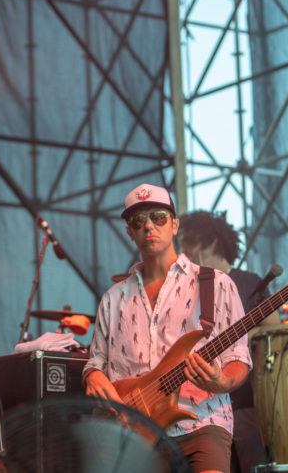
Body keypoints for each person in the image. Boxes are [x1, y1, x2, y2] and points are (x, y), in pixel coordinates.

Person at [83, 183, 252, 473]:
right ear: (130, 231)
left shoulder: (216, 284)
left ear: (174, 225)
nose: (149, 226)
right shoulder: (112, 298)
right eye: (138, 221)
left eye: (158, 217)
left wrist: (222, 382)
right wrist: (92, 376)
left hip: (201, 422)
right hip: (132, 431)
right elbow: (95, 362)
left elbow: (238, 357)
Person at [179, 211, 280, 473]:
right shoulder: (188, 286)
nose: (183, 249)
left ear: (211, 241)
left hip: (244, 401)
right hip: (200, 408)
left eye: (189, 241)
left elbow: (275, 328)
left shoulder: (249, 282)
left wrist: (240, 338)